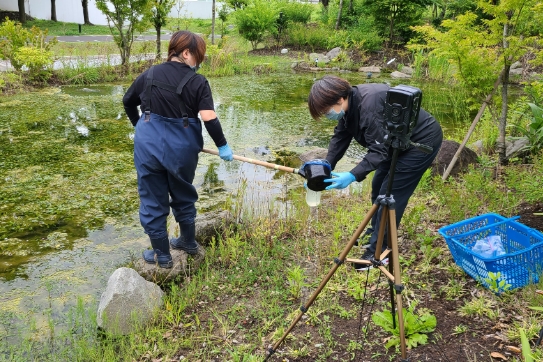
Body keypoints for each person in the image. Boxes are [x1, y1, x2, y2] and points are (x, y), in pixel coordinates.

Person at [123, 31, 234, 269]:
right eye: (198, 56)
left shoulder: (149, 74)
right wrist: (222, 145)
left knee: (153, 199)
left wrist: (141, 127)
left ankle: (162, 255)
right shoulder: (198, 82)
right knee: (183, 191)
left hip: (147, 145)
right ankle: (188, 242)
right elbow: (208, 117)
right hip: (182, 148)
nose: (199, 62)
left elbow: (127, 101)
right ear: (185, 53)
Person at [308, 75, 443, 270]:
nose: (326, 115)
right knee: (378, 184)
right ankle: (375, 232)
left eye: (325, 110)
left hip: (420, 142)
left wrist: (353, 175)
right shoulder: (350, 104)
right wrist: (326, 167)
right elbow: (341, 136)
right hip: (395, 142)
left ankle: (379, 251)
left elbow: (379, 151)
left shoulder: (369, 106)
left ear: (339, 99)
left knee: (390, 194)